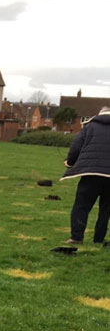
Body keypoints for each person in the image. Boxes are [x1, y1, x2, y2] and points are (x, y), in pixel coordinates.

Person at [61, 105, 110, 245]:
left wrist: (70, 162)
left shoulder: (89, 127)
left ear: (100, 114)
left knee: (81, 206)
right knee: (106, 209)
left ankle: (76, 237)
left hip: (90, 173)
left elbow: (76, 146)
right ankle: (99, 240)